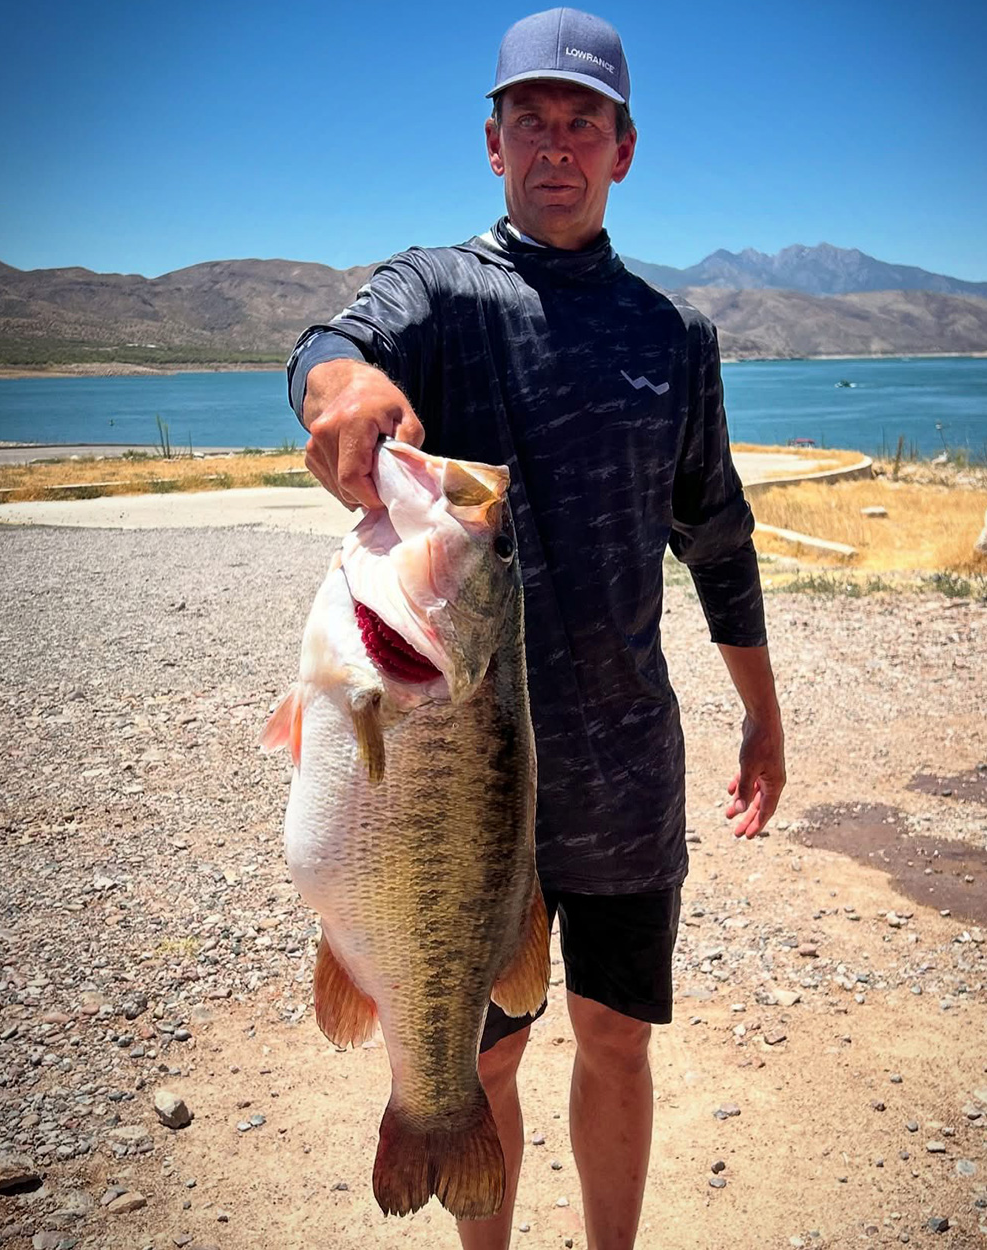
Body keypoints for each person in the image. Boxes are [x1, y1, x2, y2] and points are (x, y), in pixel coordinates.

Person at [286, 9, 786, 1247]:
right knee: (484, 1056)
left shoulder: (675, 337)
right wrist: (342, 385)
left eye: (583, 122)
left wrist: (763, 712)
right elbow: (329, 346)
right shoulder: (439, 291)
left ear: (624, 149)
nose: (555, 143)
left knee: (616, 1041)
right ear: (492, 142)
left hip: (623, 766)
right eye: (531, 120)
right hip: (459, 777)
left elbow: (715, 534)